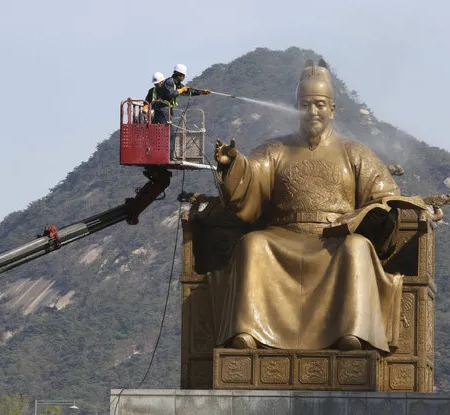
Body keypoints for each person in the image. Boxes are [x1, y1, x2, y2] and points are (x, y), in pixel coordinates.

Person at [213, 59, 403, 352]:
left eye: (319, 104)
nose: (312, 111)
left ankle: (352, 333)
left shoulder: (354, 152)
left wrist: (369, 214)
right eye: (305, 104)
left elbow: (386, 195)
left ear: (332, 109)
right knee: (252, 244)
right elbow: (252, 177)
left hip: (335, 240)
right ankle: (248, 331)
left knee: (357, 248)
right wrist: (232, 165)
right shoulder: (275, 149)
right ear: (296, 107)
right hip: (284, 236)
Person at [155, 64, 211, 158]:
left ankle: (168, 155)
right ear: (180, 75)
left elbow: (188, 91)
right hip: (162, 110)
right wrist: (181, 90)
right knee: (169, 134)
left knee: (169, 133)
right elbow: (170, 94)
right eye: (183, 76)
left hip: (166, 111)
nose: (184, 78)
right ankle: (168, 156)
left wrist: (201, 92)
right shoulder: (169, 82)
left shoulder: (176, 83)